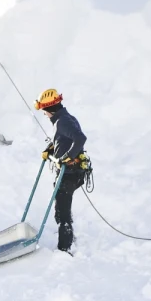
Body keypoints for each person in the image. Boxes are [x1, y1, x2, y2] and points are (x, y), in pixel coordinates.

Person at [36, 89, 90, 253]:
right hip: (66, 172)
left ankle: (65, 247)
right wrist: (50, 149)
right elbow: (63, 140)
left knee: (63, 210)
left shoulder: (63, 122)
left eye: (44, 110)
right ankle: (64, 229)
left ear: (50, 109)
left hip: (70, 173)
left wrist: (68, 156)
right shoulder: (63, 118)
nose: (44, 114)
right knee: (60, 204)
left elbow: (80, 138)